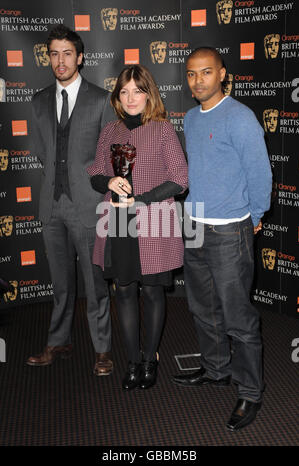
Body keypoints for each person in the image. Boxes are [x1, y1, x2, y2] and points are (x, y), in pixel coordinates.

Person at [171, 47, 272, 431]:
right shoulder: (192, 118)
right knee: (202, 308)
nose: (198, 80)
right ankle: (216, 370)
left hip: (230, 230)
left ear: (223, 74)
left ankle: (250, 392)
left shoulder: (241, 118)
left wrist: (255, 217)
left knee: (238, 317)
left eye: (206, 72)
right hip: (194, 226)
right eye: (192, 74)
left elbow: (261, 175)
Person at [87, 65, 188, 390]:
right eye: (124, 91)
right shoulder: (110, 131)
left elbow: (180, 180)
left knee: (154, 293)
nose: (131, 98)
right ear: (117, 96)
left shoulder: (161, 130)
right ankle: (132, 361)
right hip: (117, 222)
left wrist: (141, 200)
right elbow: (96, 174)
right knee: (126, 292)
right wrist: (108, 180)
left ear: (149, 94)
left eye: (137, 91)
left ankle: (149, 359)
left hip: (153, 221)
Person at [27, 25, 115, 376]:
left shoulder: (100, 99)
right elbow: (39, 152)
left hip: (89, 206)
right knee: (60, 282)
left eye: (67, 53)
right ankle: (58, 340)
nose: (60, 61)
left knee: (95, 283)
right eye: (53, 54)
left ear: (80, 57)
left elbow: (109, 154)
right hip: (52, 205)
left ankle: (103, 349)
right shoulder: (38, 100)